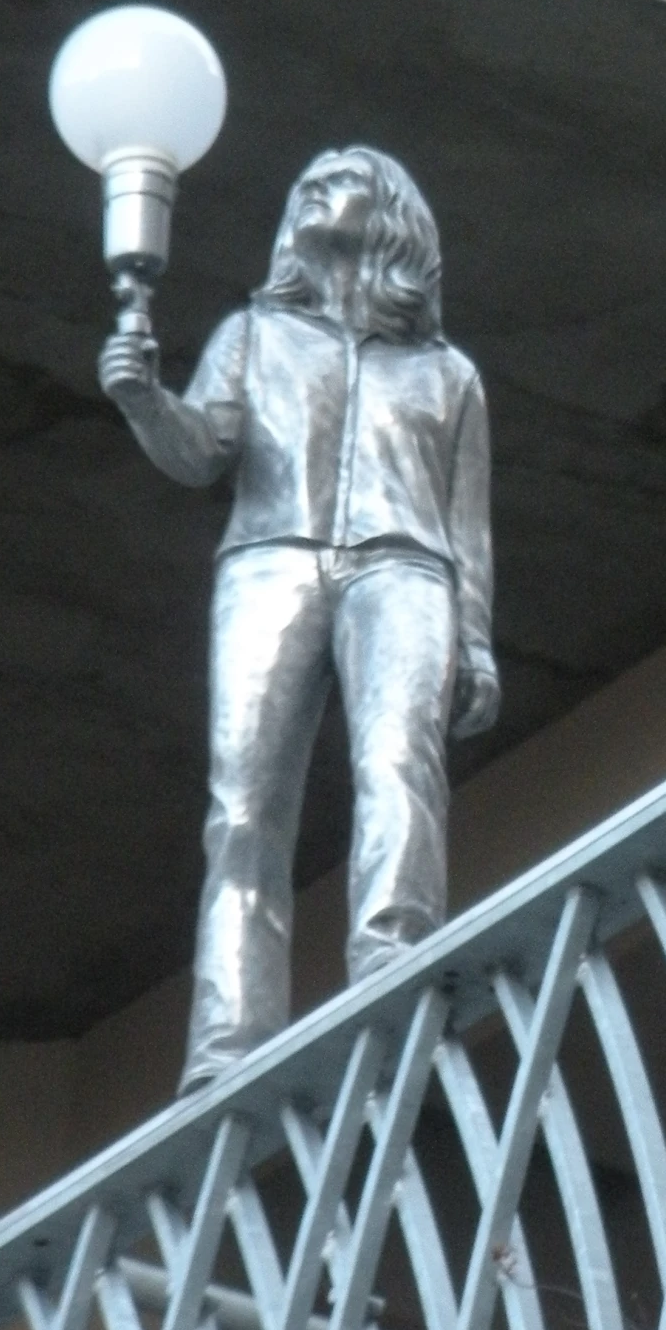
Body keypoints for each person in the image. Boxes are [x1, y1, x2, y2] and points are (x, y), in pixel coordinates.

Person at [99, 146, 497, 1092]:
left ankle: (394, 967)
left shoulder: (449, 377)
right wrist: (145, 399)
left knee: (400, 766)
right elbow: (201, 452)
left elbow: (467, 526)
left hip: (406, 568)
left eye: (341, 175)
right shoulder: (253, 336)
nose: (314, 185)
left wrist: (475, 639)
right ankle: (228, 1046)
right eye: (305, 181)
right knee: (243, 807)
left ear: (396, 212)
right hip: (271, 559)